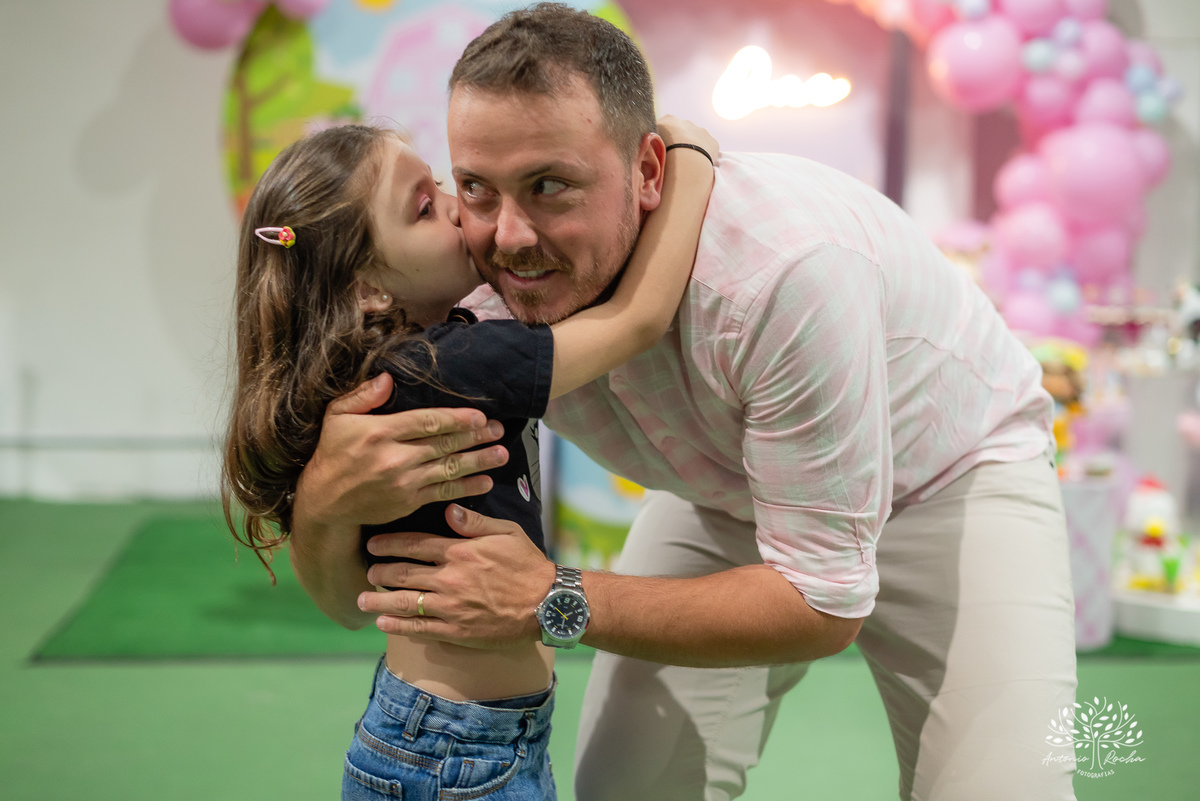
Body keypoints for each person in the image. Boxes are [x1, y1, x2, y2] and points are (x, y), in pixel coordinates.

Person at [290, 5, 1078, 800]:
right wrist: (325, 496)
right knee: (628, 788)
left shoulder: (786, 276)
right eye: (474, 189)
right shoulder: (470, 298)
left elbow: (821, 601)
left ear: (648, 172)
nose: (510, 237)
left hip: (953, 476)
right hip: (726, 488)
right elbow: (354, 603)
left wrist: (552, 596)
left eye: (551, 184)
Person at [221, 117, 717, 799]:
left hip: (444, 735)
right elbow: (637, 318)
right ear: (368, 288)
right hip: (461, 753)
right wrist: (690, 164)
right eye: (426, 207)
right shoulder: (449, 363)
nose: (461, 208)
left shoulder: (396, 364)